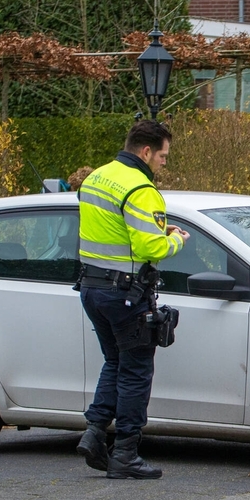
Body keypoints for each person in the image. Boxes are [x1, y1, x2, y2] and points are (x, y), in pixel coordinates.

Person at [74, 121, 189, 480]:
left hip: (92, 289)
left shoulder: (97, 178)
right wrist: (176, 240)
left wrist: (158, 229)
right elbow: (150, 247)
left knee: (115, 361)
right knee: (136, 371)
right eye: (163, 156)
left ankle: (94, 434)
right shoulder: (141, 188)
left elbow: (115, 229)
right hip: (125, 294)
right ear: (146, 151)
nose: (164, 162)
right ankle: (125, 453)